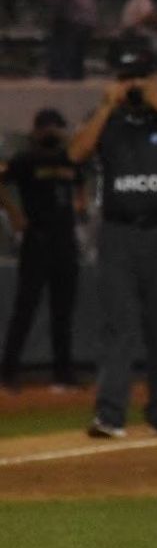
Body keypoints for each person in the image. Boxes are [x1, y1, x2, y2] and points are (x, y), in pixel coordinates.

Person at [68, 41, 157, 437]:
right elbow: (76, 154)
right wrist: (106, 106)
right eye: (126, 77)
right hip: (118, 233)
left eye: (140, 77)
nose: (133, 85)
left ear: (155, 78)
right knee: (117, 326)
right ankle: (110, 414)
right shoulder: (105, 118)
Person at [0, 109, 84, 392]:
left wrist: (80, 203)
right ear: (35, 132)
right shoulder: (25, 159)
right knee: (25, 308)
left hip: (65, 239)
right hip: (37, 238)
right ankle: (8, 373)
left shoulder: (70, 158)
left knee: (63, 311)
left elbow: (81, 184)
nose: (50, 133)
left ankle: (63, 373)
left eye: (55, 128)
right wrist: (14, 213)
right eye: (46, 128)